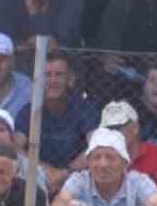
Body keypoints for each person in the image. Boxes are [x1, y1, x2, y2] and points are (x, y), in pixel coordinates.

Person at [13, 52, 98, 188]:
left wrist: (66, 173)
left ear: (70, 79)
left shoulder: (84, 109)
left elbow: (96, 144)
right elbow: (16, 147)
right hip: (37, 179)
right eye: (47, 75)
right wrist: (45, 172)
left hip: (77, 180)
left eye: (59, 74)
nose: (53, 81)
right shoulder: (28, 111)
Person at [100, 100, 157, 201]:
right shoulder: (99, 162)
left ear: (135, 128)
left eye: (118, 128)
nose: (113, 133)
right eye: (108, 129)